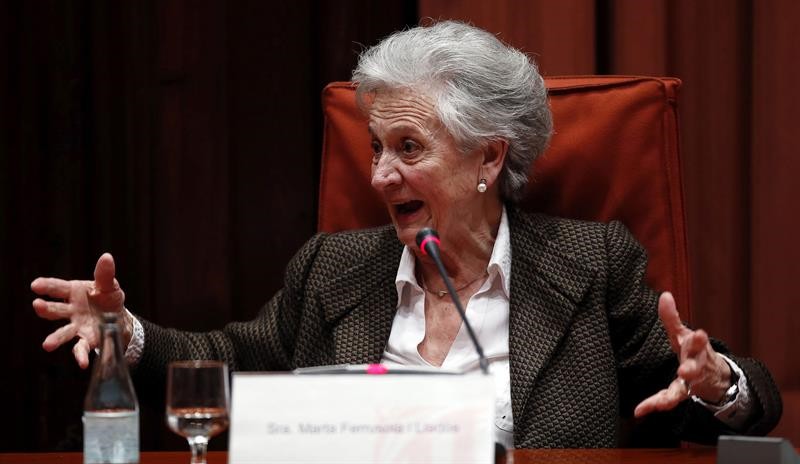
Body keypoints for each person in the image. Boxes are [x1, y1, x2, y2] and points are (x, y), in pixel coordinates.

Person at [31, 21, 781, 448]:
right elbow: (231, 363)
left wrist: (720, 387)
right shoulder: (334, 266)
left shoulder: (589, 265)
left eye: (410, 150)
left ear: (490, 157)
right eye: (375, 149)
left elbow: (727, 393)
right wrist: (127, 332)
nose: (381, 176)